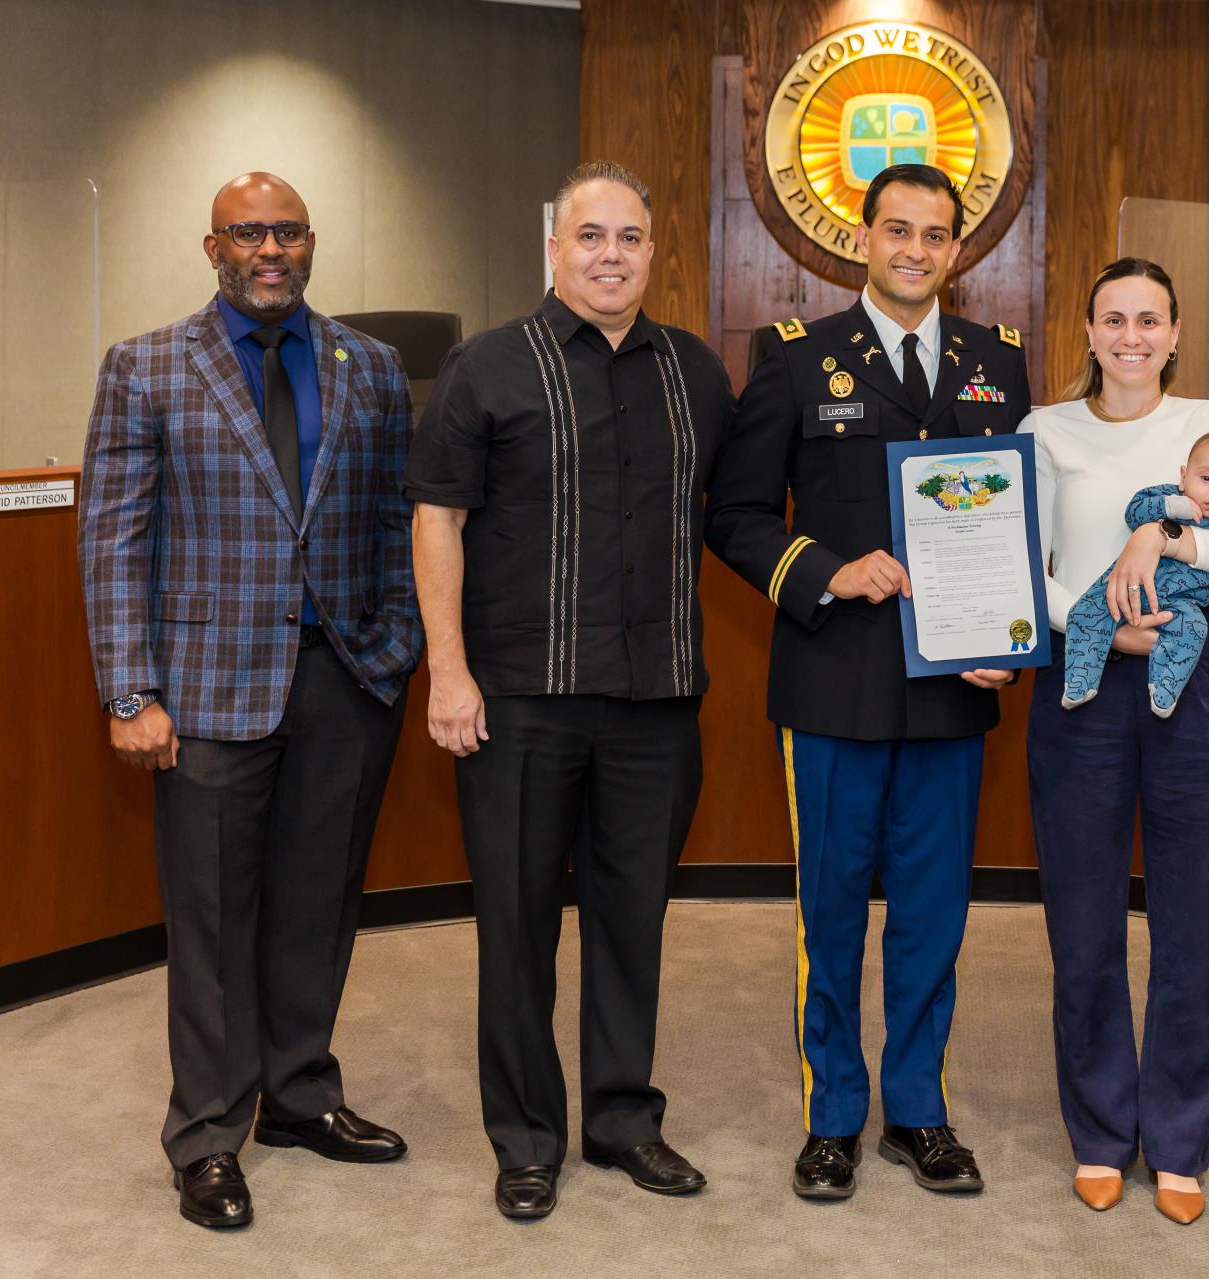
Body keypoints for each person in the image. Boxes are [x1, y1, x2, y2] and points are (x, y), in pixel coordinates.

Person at [77, 172, 420, 1229]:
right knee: (216, 923)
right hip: (205, 687)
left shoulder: (374, 365)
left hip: (347, 676)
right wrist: (130, 688)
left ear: (309, 242)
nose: (268, 248)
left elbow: (397, 517)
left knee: (321, 903)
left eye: (285, 231)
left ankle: (301, 1096)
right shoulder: (145, 367)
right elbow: (113, 538)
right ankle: (209, 1133)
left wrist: (397, 647)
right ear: (212, 247)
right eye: (247, 233)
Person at [405, 161, 735, 1220]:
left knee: (634, 921)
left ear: (653, 250)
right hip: (518, 700)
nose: (609, 255)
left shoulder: (695, 371)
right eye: (590, 236)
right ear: (556, 247)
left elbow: (736, 516)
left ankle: (624, 1121)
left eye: (629, 238)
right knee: (516, 927)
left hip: (657, 701)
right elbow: (437, 518)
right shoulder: (486, 366)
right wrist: (446, 670)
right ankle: (526, 1136)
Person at [704, 163, 1031, 1202]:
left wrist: (1009, 633)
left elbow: (1009, 523)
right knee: (832, 909)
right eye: (898, 230)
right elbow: (738, 515)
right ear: (863, 236)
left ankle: (919, 1111)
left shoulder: (997, 365)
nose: (916, 250)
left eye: (936, 235)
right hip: (833, 682)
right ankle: (833, 1115)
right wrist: (825, 572)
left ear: (957, 250)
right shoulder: (796, 359)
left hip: (951, 686)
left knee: (935, 912)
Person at [1019, 257, 1209, 1224]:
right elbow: (1023, 561)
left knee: (1189, 926)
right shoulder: (1043, 431)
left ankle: (1177, 1140)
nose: (1132, 336)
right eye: (1113, 319)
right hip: (1084, 678)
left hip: (1194, 676)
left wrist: (1160, 545)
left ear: (1176, 334)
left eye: (1150, 321)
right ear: (1086, 333)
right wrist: (1098, 615)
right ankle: (1098, 1130)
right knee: (1082, 923)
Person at [1062, 431, 1209, 715]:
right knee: (1084, 614)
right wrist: (1170, 506)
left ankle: (1165, 688)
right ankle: (1080, 681)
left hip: (1182, 601)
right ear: (1184, 476)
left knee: (1194, 630)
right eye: (1206, 479)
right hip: (1126, 586)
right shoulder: (1170, 496)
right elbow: (1134, 510)